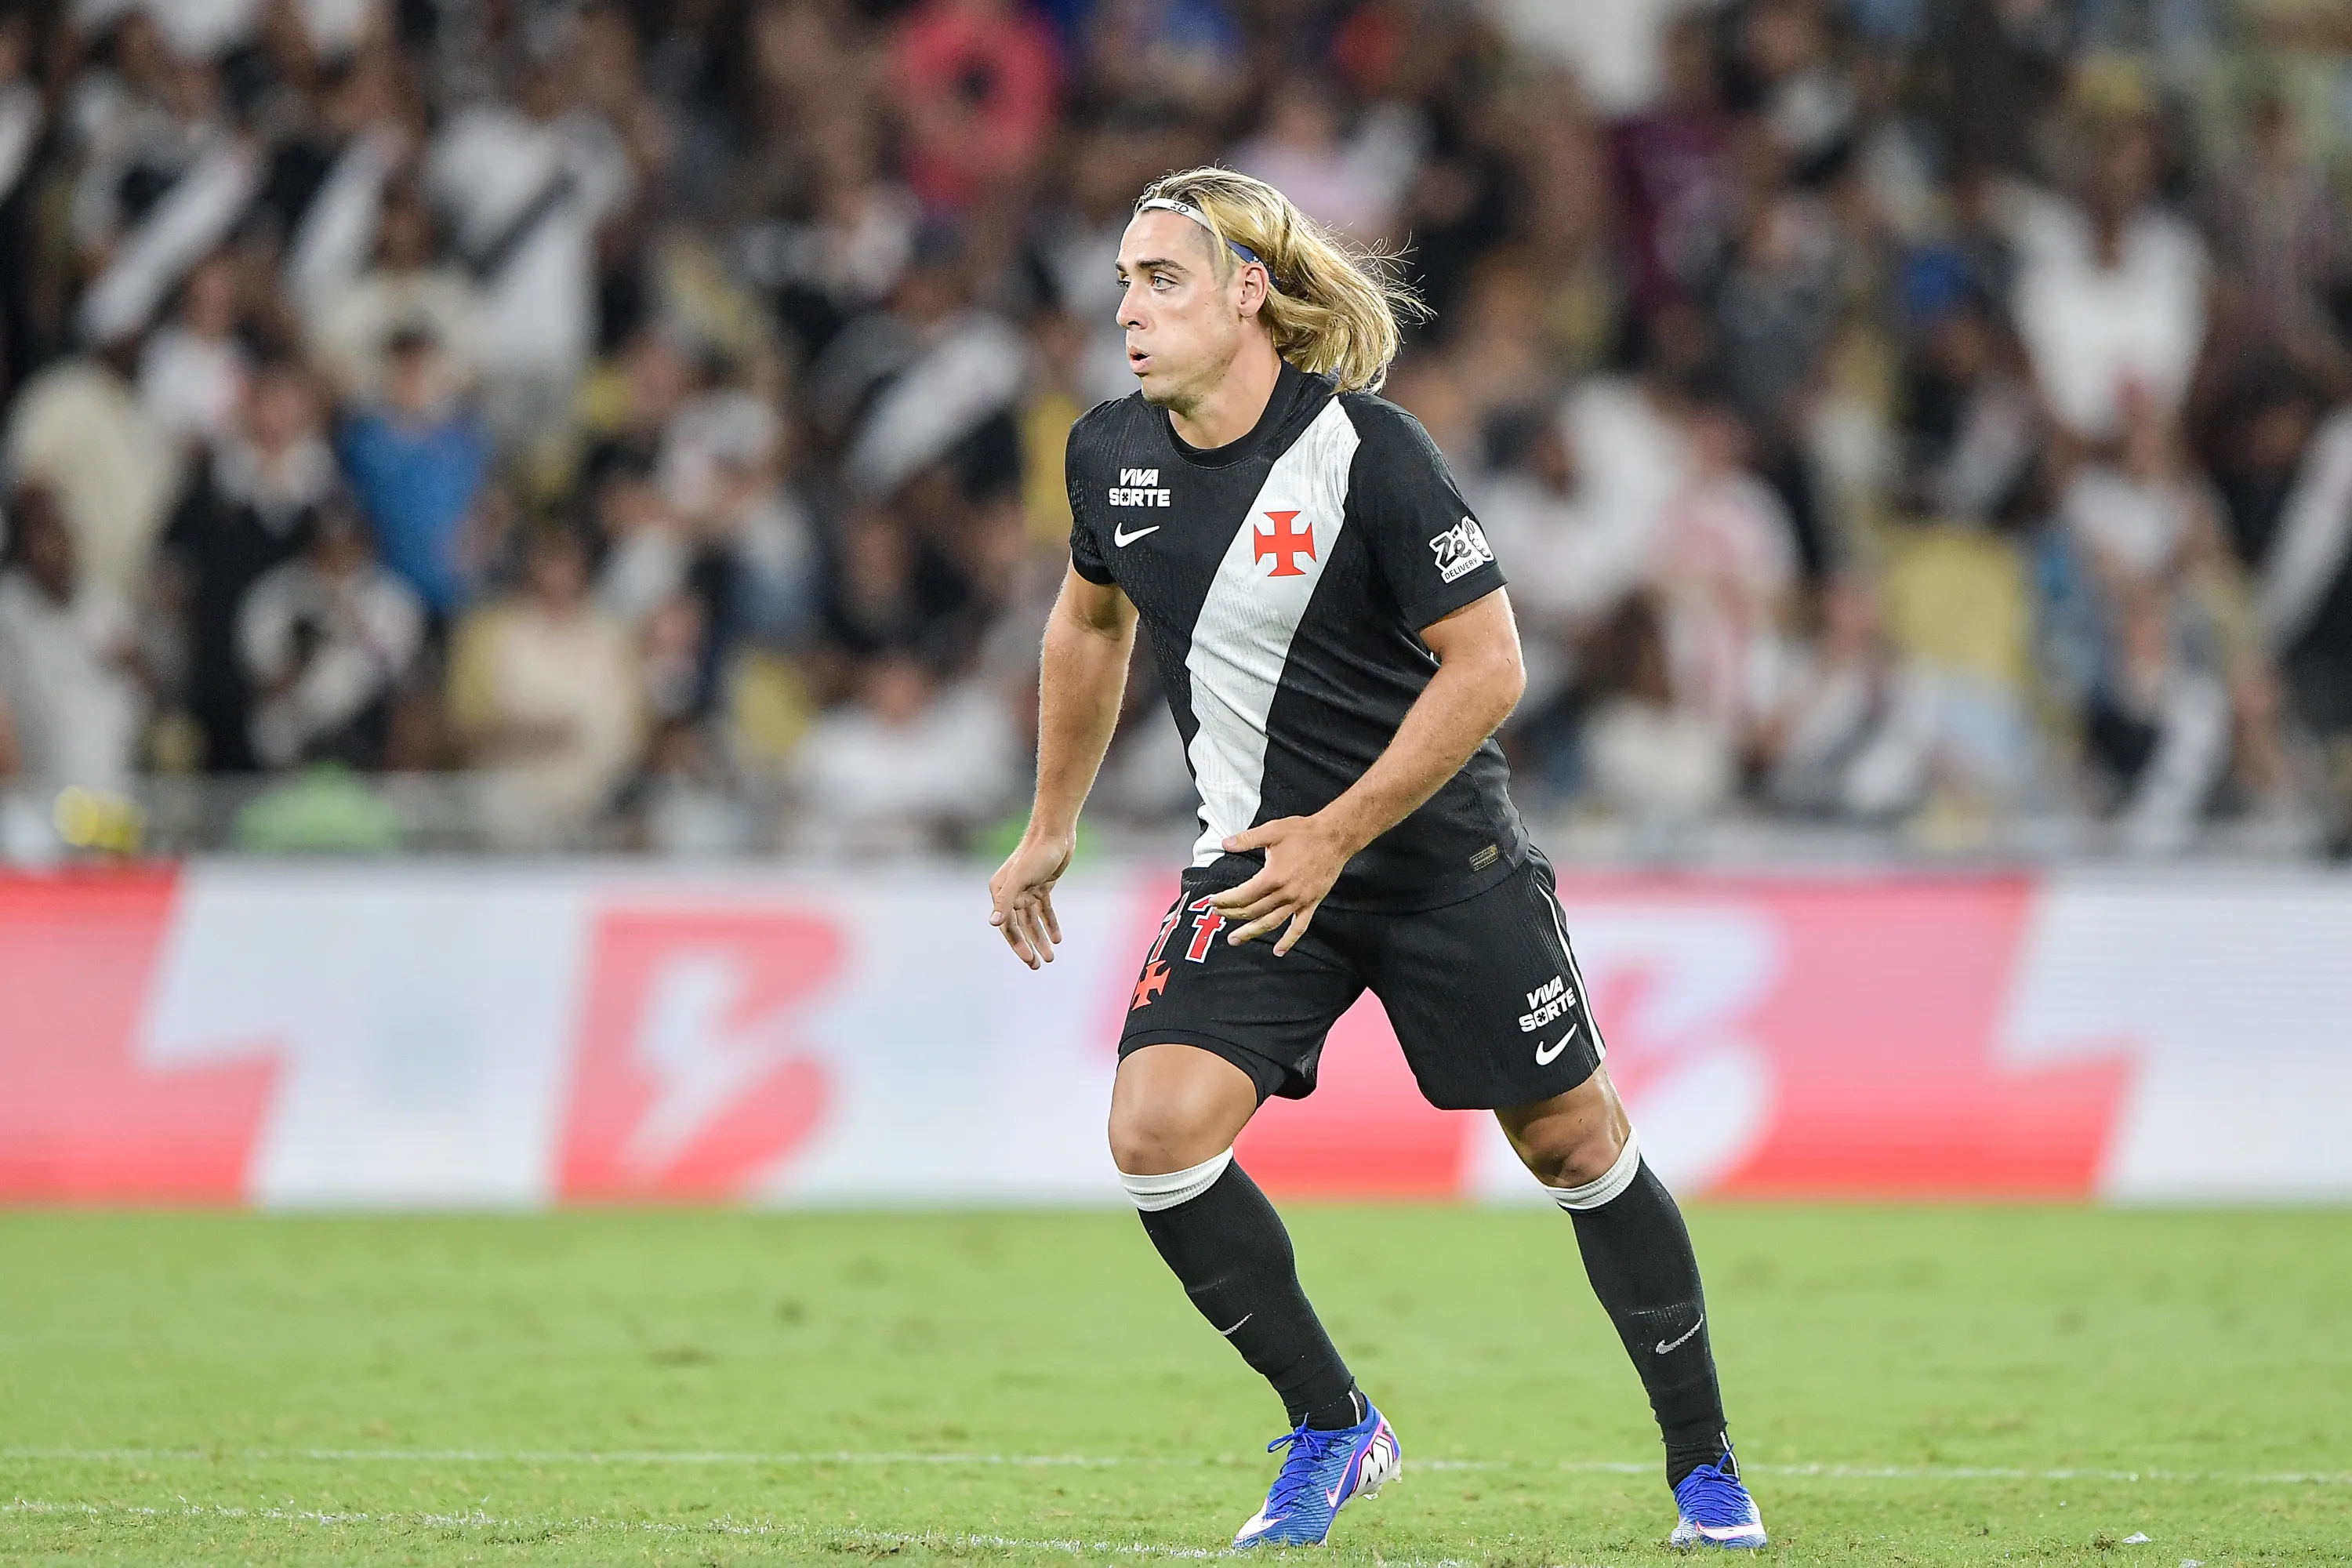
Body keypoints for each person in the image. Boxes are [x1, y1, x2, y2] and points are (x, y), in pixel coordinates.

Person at [985, 169, 1766, 1552]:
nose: (1125, 312)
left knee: (1574, 1141)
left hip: (1433, 864)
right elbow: (1086, 627)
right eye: (1120, 282)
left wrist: (1340, 836)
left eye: (1159, 280)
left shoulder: (1372, 453)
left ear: (1249, 294)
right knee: (1154, 1136)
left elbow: (1492, 666)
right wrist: (1051, 825)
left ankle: (1705, 1467)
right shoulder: (1109, 453)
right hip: (1257, 868)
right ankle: (1335, 1425)